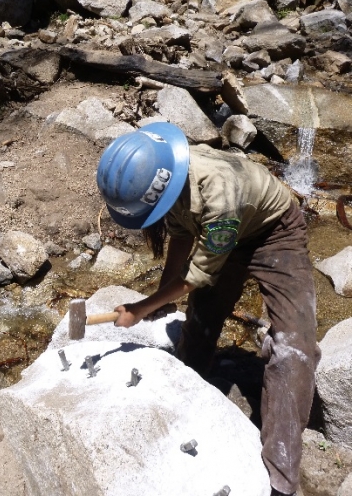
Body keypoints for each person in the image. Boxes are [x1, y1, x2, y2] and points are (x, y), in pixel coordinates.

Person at [96, 122, 320, 496]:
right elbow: (182, 236)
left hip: (274, 233)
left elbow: (196, 276)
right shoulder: (165, 174)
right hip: (229, 231)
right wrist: (159, 296)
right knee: (199, 323)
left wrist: (139, 307)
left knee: (293, 348)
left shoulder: (219, 198)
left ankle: (281, 479)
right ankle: (188, 402)